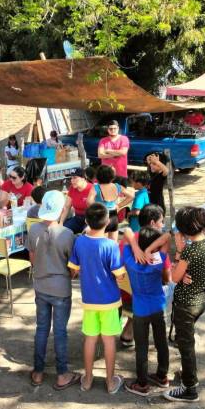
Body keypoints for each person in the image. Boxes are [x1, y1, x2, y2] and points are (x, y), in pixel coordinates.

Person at [68, 203, 127, 394]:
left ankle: (87, 379)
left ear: (86, 221)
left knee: (90, 339)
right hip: (109, 300)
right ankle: (110, 382)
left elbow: (73, 270)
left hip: (89, 299)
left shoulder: (80, 242)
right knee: (109, 340)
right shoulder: (110, 245)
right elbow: (119, 275)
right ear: (108, 222)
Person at [26, 191, 80, 390]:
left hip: (40, 285)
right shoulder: (67, 234)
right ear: (60, 210)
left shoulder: (33, 230)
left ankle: (38, 372)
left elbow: (32, 258)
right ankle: (62, 373)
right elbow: (72, 268)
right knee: (60, 331)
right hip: (61, 288)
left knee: (41, 329)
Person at [164, 207, 205, 403]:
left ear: (183, 230)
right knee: (186, 340)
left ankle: (189, 388)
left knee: (186, 344)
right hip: (201, 299)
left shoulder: (189, 250)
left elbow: (175, 277)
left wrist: (178, 252)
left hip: (186, 304)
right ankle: (188, 373)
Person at [123, 227, 171, 396]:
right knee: (161, 342)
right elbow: (167, 237)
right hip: (158, 307)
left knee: (141, 347)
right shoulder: (157, 259)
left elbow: (127, 231)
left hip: (140, 310)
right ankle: (162, 376)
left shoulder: (129, 257)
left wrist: (138, 248)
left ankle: (142, 383)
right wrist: (151, 250)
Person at [88, 165, 134, 242]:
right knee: (114, 241)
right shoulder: (117, 186)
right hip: (113, 215)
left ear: (98, 177)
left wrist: (96, 210)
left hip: (101, 216)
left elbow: (89, 201)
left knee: (102, 241)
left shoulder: (96, 187)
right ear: (112, 177)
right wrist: (119, 205)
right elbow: (131, 196)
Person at [59, 167, 94, 233]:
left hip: (90, 219)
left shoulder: (92, 188)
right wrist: (61, 222)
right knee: (62, 231)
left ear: (83, 178)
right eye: (71, 178)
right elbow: (67, 207)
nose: (72, 180)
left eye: (75, 178)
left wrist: (90, 224)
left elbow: (97, 211)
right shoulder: (72, 188)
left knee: (86, 234)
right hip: (77, 218)